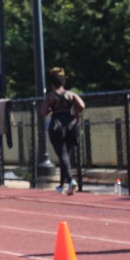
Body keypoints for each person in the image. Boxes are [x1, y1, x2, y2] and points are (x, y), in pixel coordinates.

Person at [40, 67, 85, 195]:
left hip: (57, 125)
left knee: (62, 155)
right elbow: (82, 105)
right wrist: (75, 113)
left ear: (52, 84)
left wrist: (50, 109)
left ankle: (70, 181)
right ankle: (61, 185)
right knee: (65, 156)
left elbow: (43, 112)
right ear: (63, 82)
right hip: (71, 124)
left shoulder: (51, 97)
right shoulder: (70, 94)